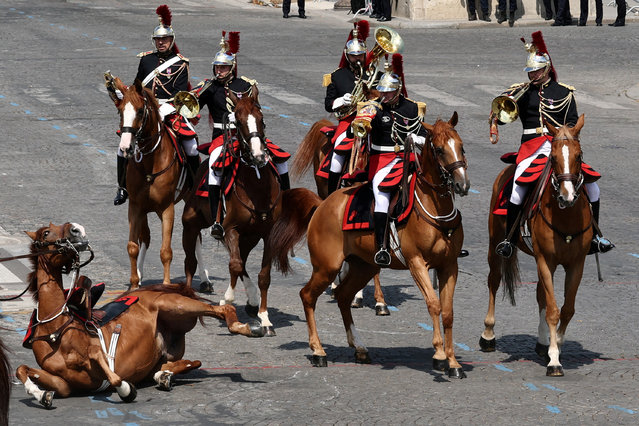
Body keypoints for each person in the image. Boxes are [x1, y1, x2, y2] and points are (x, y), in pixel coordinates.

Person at [490, 31, 614, 258]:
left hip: (560, 146)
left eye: (536, 71)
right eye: (530, 72)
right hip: (531, 148)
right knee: (517, 186)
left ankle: (595, 236)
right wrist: (498, 118)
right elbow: (508, 116)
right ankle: (509, 238)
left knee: (593, 187)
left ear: (546, 69)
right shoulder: (522, 92)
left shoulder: (564, 92)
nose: (533, 75)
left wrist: (564, 136)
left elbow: (574, 121)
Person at [194, 32, 291, 240]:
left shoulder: (245, 86)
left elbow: (256, 110)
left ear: (232, 68)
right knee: (214, 167)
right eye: (217, 68)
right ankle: (217, 219)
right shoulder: (209, 88)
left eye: (224, 68)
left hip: (248, 134)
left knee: (281, 162)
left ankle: (285, 211)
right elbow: (193, 107)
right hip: (223, 136)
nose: (220, 71)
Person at [112, 5, 199, 206]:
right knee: (122, 147)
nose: (161, 43)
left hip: (169, 109)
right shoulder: (146, 60)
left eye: (165, 40)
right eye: (158, 40)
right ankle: (122, 187)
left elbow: (179, 92)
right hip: (145, 110)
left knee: (192, 146)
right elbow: (137, 86)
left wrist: (162, 107)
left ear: (172, 41)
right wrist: (123, 94)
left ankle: (193, 185)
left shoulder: (180, 63)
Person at [352, 55, 428, 266]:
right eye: (382, 91)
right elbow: (362, 124)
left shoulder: (411, 107)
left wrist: (417, 138)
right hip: (382, 160)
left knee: (438, 180)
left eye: (389, 92)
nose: (384, 95)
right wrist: (363, 123)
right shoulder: (374, 108)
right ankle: (381, 247)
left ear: (398, 90)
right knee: (381, 192)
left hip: (408, 156)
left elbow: (422, 131)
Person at [323, 20, 375, 195]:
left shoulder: (374, 74)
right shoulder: (337, 76)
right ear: (347, 55)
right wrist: (341, 101)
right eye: (354, 56)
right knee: (339, 151)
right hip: (348, 121)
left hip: (371, 120)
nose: (357, 59)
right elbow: (328, 105)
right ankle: (331, 193)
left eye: (360, 55)